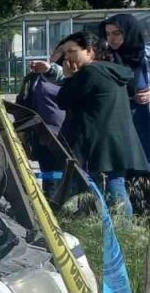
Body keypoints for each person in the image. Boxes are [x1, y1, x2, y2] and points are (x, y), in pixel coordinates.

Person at [55, 31, 147, 216]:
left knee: (114, 193)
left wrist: (68, 76)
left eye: (72, 51)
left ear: (89, 51)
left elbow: (63, 101)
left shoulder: (90, 72)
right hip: (115, 142)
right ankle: (120, 233)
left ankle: (123, 235)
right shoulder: (109, 70)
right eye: (64, 52)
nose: (67, 57)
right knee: (113, 188)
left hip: (103, 145)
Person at [102, 14, 150, 161]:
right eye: (108, 34)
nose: (111, 38)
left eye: (117, 33)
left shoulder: (146, 56)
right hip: (119, 124)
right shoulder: (105, 58)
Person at [21, 43, 67, 197]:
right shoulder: (33, 77)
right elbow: (24, 99)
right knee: (48, 171)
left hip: (61, 133)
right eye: (56, 51)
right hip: (40, 132)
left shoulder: (65, 75)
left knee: (61, 172)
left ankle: (59, 202)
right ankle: (50, 200)